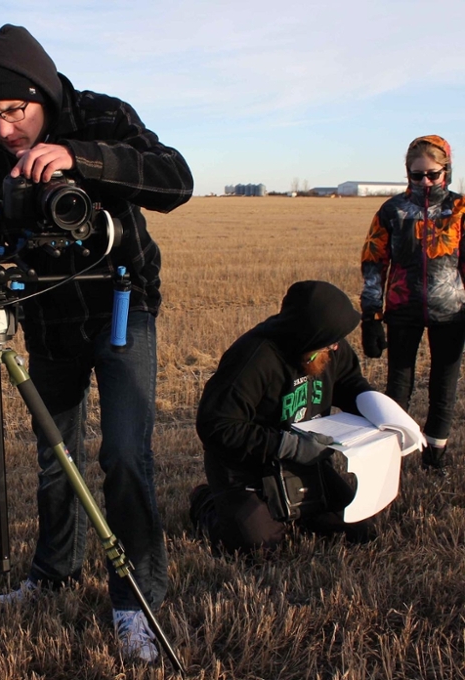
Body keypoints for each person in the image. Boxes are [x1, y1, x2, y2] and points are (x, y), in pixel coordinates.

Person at [0, 23, 193, 663]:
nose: (2, 130)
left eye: (13, 111)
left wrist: (79, 158)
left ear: (43, 93)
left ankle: (136, 602)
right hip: (46, 318)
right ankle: (52, 573)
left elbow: (176, 180)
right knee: (57, 457)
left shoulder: (102, 115)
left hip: (121, 304)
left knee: (125, 456)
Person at [192, 281, 381, 556]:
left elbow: (350, 383)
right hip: (247, 465)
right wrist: (288, 446)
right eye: (329, 341)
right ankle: (206, 502)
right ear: (309, 337)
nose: (337, 347)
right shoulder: (255, 357)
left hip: (305, 462)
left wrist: (378, 409)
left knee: (358, 529)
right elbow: (216, 425)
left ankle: (300, 507)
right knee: (257, 548)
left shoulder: (332, 346)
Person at [360, 135, 465, 474]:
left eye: (432, 174)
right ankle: (393, 455)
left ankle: (435, 456)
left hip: (451, 311)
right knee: (398, 388)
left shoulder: (460, 210)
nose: (424, 182)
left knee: (443, 387)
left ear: (446, 171)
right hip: (402, 309)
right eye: (417, 175)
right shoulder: (392, 211)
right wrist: (371, 316)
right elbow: (374, 264)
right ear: (407, 173)